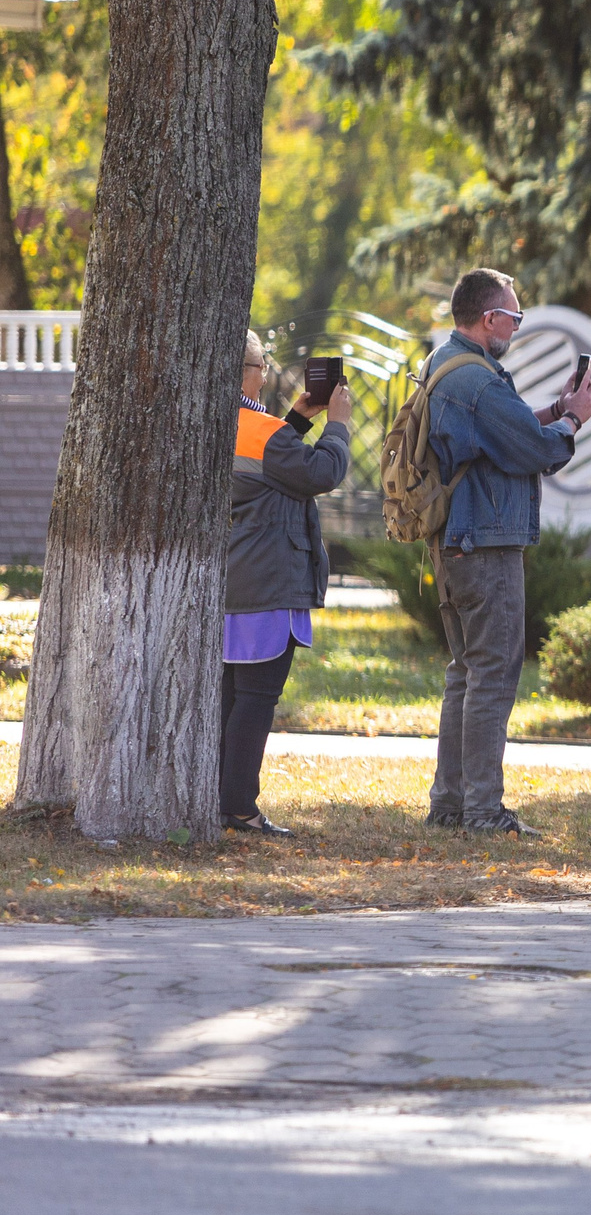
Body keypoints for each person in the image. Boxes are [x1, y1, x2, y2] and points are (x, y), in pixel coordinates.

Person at [424, 268, 591, 836]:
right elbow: (534, 451)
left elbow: (505, 432)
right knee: (493, 674)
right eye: (514, 316)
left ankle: (450, 806)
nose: (517, 326)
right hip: (486, 543)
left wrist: (554, 409)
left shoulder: (446, 366)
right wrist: (574, 419)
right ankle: (482, 811)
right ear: (489, 318)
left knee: (465, 673)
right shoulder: (478, 381)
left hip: (454, 542)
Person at [221, 330, 352, 837]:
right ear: (246, 372)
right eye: (262, 364)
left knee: (228, 698)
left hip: (230, 583)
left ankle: (218, 798)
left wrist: (297, 420)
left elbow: (267, 469)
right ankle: (238, 807)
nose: (265, 372)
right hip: (268, 586)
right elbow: (320, 472)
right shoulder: (264, 432)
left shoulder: (213, 424)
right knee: (256, 699)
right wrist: (336, 425)